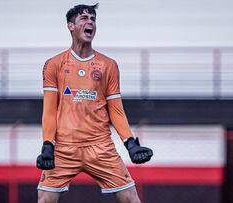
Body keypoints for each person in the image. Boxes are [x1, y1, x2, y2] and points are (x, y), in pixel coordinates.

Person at [36, 3, 153, 203]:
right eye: (84, 18)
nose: (90, 22)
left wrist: (130, 143)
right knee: (45, 199)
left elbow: (116, 110)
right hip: (64, 148)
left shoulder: (108, 65)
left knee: (131, 199)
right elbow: (49, 111)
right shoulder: (54, 64)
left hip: (101, 146)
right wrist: (48, 144)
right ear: (70, 26)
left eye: (93, 19)